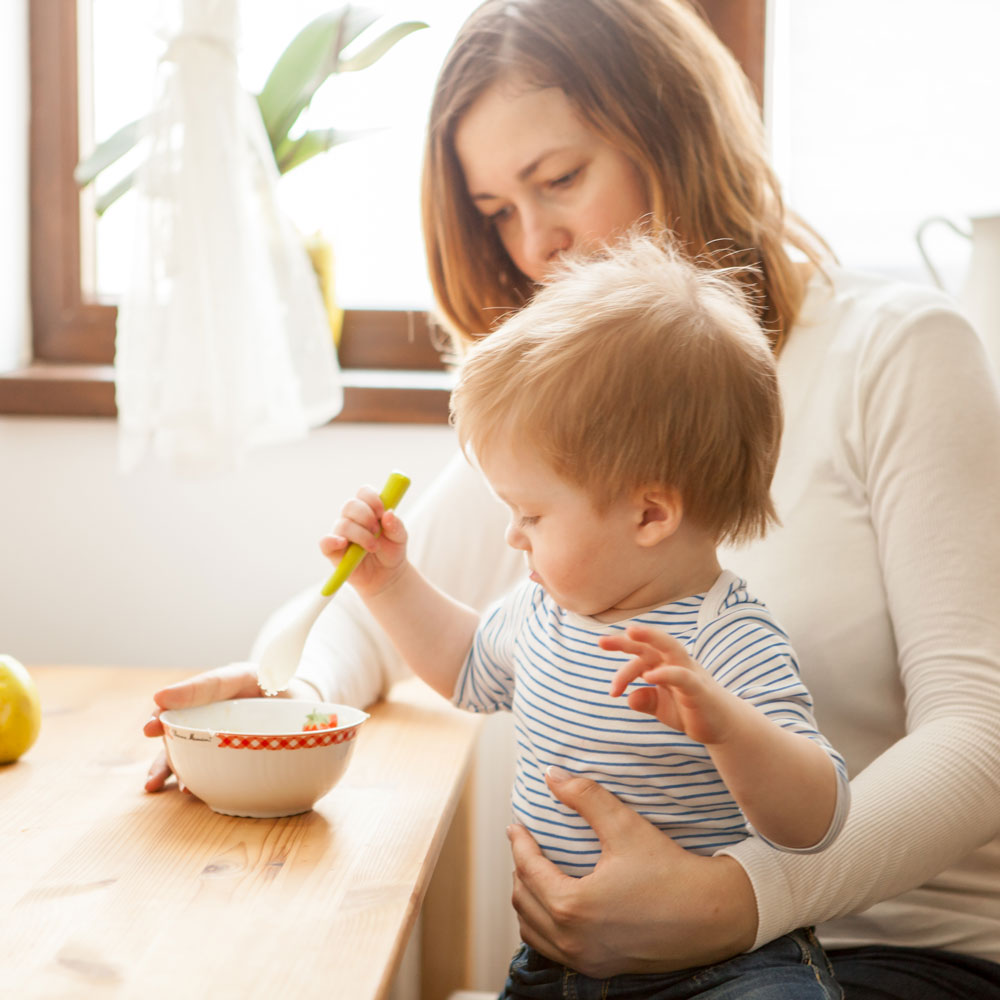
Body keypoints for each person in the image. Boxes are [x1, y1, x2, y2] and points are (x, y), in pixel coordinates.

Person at [144, 1, 1000, 996]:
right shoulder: (577, 424)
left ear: (675, 135)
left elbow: (979, 733)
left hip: (889, 951)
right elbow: (376, 617)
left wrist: (736, 899)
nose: (534, 242)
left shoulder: (897, 351)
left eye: (558, 179)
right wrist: (289, 701)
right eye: (498, 210)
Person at [327, 235, 850, 997]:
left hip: (727, 971)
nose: (512, 534)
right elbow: (466, 668)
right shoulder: (543, 610)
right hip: (560, 967)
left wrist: (728, 727)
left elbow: (817, 818)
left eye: (531, 513)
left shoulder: (724, 637)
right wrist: (390, 583)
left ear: (649, 513)